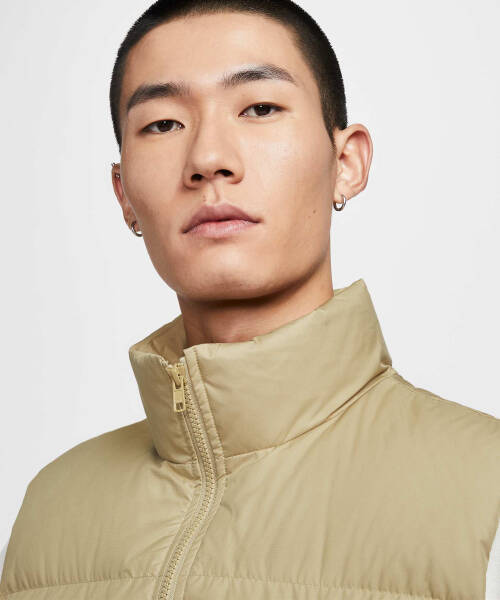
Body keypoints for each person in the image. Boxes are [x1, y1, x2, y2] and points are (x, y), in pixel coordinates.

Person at [1, 0, 499, 598]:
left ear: (346, 163)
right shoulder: (52, 510)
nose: (208, 159)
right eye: (163, 124)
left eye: (260, 108)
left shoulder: (485, 489)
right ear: (124, 195)